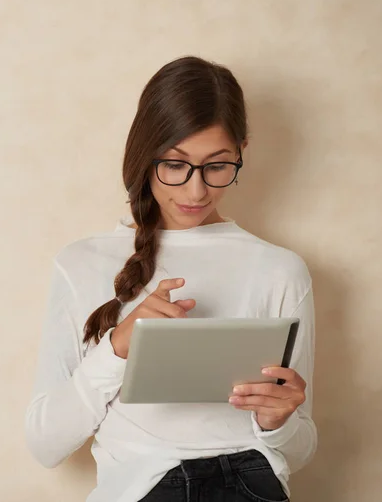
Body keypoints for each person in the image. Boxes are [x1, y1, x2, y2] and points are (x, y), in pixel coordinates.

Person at [25, 56, 317, 502]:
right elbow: (45, 445)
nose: (195, 191)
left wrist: (277, 421)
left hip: (251, 486)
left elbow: (300, 450)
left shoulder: (280, 270)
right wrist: (118, 348)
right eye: (175, 165)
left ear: (242, 150)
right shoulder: (82, 262)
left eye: (218, 165)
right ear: (145, 153)